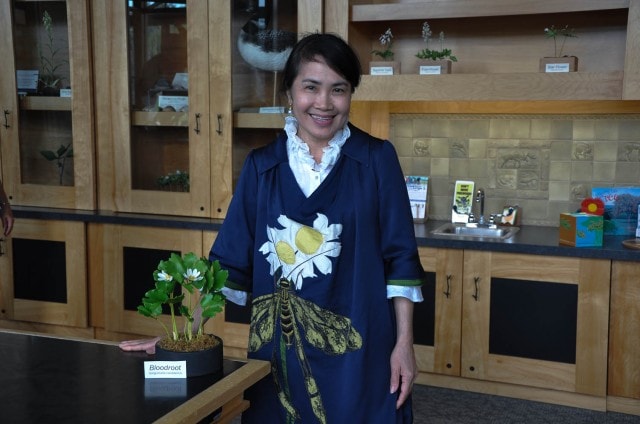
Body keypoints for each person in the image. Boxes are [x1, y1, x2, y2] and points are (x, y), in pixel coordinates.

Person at [120, 32, 425, 423]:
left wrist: (404, 344)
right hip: (279, 349)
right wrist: (182, 340)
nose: (324, 103)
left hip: (363, 351)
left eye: (339, 90)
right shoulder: (262, 167)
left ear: (351, 95)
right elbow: (230, 261)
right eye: (310, 88)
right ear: (289, 93)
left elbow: (400, 258)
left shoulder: (376, 159)